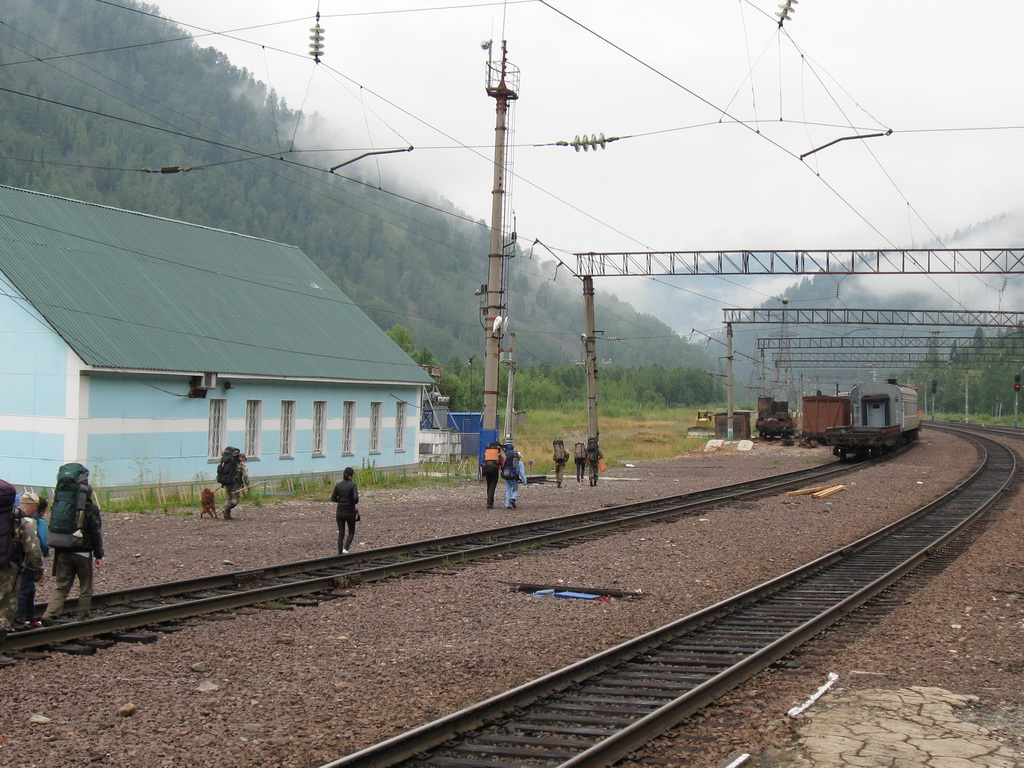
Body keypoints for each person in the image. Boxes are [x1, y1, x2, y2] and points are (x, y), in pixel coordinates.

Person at [41, 481, 103, 624]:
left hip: (63, 552)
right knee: (85, 587)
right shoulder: (91, 509)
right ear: (89, 495)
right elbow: (95, 532)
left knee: (61, 587)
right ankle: (82, 617)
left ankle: (49, 614)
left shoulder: (66, 507)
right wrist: (99, 555)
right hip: (83, 553)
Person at [1, 480, 44, 665]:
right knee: (4, 608)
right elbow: (33, 549)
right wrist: (39, 569)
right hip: (7, 570)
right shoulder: (22, 520)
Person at [15, 493, 48, 628]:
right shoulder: (29, 522)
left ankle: (30, 617)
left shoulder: (11, 516)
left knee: (29, 590)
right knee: (24, 589)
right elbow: (36, 548)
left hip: (12, 559)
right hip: (25, 561)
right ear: (34, 506)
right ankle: (14, 620)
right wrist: (39, 568)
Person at [330, 467, 359, 554]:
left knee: (341, 533)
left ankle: (339, 552)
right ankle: (346, 549)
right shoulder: (353, 485)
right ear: (350, 476)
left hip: (339, 512)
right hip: (349, 512)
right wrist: (350, 501)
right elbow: (355, 499)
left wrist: (341, 501)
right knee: (351, 532)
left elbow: (333, 498)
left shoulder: (338, 485)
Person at [217, 447, 246, 520]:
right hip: (235, 483)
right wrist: (248, 484)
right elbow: (245, 475)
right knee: (235, 499)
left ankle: (227, 515)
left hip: (226, 481)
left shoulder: (225, 462)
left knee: (229, 497)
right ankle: (226, 508)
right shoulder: (240, 463)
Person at [481, 441, 504, 509]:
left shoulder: (486, 454)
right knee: (492, 486)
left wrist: (482, 474)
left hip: (487, 470)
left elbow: (483, 462)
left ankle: (489, 502)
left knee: (488, 485)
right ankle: (490, 503)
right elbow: (501, 463)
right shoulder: (498, 455)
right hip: (494, 470)